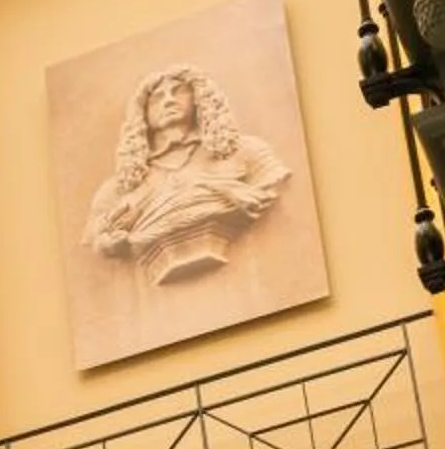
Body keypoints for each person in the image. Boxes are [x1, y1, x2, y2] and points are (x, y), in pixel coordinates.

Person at [83, 64, 290, 287]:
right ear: (143, 114)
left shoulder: (246, 151)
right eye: (157, 98)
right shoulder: (118, 189)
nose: (169, 100)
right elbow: (97, 236)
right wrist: (106, 242)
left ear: (197, 97)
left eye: (179, 91)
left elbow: (273, 183)